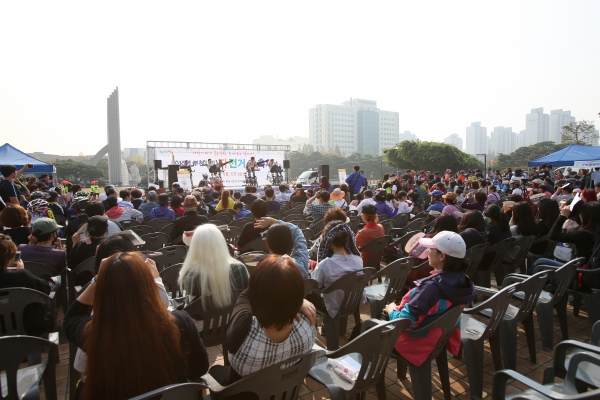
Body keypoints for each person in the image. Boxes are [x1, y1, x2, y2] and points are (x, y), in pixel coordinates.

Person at [64, 252, 209, 399]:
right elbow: (200, 367)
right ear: (149, 284)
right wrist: (156, 279)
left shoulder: (95, 334)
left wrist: (98, 280)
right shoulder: (179, 323)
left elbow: (71, 318)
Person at [208, 255, 316, 387]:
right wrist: (291, 296)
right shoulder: (308, 326)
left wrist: (266, 278)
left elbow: (245, 297)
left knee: (215, 371)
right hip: (283, 391)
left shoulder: (242, 336)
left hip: (244, 393)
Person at [383, 231, 476, 366]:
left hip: (413, 343)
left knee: (363, 329)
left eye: (431, 249)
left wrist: (391, 309)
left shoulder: (432, 289)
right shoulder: (464, 281)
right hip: (436, 339)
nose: (427, 253)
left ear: (442, 256)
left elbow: (405, 322)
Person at [527, 202, 600, 288]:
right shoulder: (595, 232)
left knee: (541, 261)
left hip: (577, 274)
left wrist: (562, 216)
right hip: (588, 272)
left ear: (586, 217)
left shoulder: (583, 234)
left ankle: (523, 283)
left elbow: (553, 235)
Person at [179, 224, 249, 304]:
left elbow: (191, 307)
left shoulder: (191, 274)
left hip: (205, 316)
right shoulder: (239, 269)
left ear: (195, 247)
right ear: (221, 243)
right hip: (234, 315)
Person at [308, 221, 365, 320]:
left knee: (306, 293)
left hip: (333, 307)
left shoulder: (326, 264)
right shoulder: (358, 260)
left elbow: (316, 285)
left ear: (328, 241)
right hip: (353, 302)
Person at [0, 234, 53, 335]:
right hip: (28, 330)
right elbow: (46, 288)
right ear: (10, 256)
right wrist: (22, 271)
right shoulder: (21, 276)